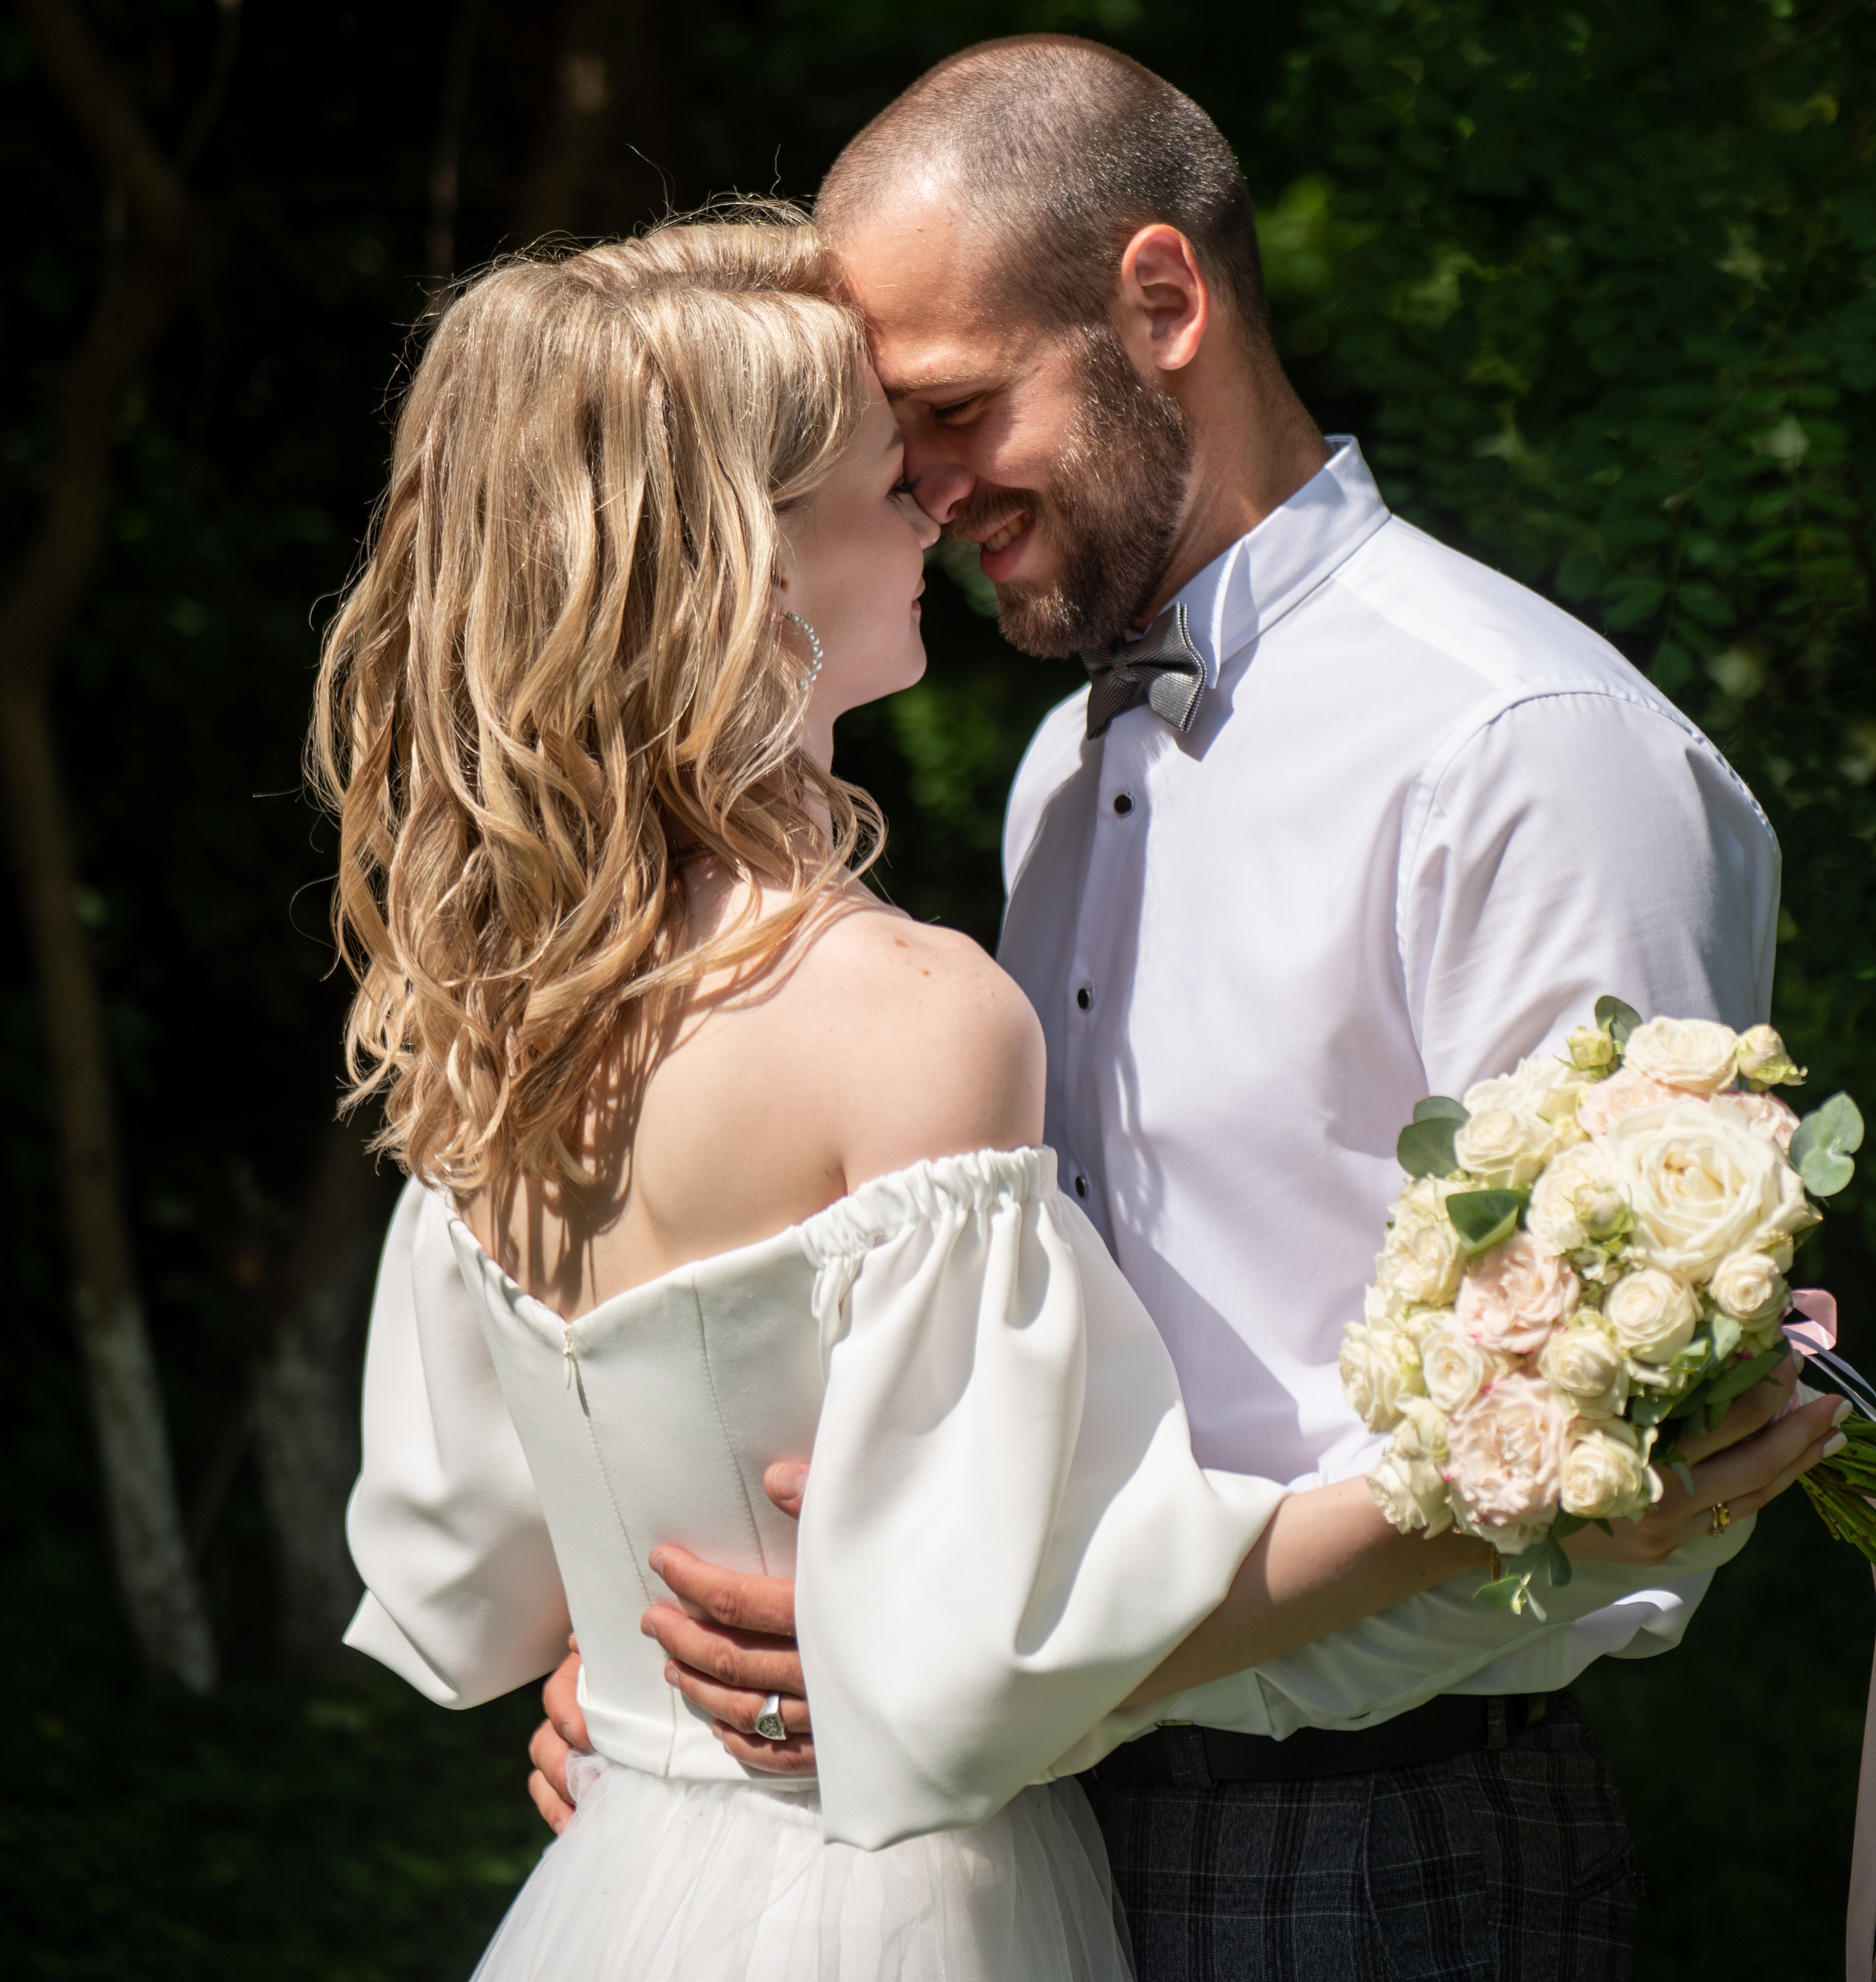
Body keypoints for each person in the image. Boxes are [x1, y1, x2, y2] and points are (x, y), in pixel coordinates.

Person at [325, 205, 1835, 1982]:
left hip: (1328, 1841)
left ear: (1162, 302)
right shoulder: (980, 891)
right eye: (897, 468)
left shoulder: (496, 1016)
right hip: (921, 1865)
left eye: (949, 423)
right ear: (743, 560)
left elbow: (488, 1564)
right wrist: (1527, 1476)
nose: (937, 503)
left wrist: (1577, 1451)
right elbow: (988, 1620)